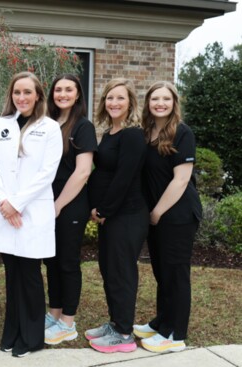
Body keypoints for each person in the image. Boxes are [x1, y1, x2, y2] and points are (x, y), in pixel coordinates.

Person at [0, 72, 62, 357]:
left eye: (28, 92)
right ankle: (12, 333)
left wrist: (17, 203)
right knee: (12, 275)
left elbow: (46, 173)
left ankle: (31, 338)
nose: (22, 97)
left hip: (31, 211)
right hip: (5, 212)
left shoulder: (50, 128)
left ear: (38, 95)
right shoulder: (0, 125)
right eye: (17, 92)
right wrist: (5, 202)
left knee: (29, 275)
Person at [135, 81, 202, 353]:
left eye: (166, 98)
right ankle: (162, 322)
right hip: (157, 215)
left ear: (174, 103)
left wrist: (157, 212)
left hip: (178, 214)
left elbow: (181, 179)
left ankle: (175, 335)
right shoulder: (147, 132)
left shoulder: (182, 133)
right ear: (148, 103)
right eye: (155, 99)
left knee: (176, 274)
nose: (160, 103)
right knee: (162, 272)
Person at [86, 78, 148, 353]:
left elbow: (124, 177)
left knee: (121, 272)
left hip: (128, 216)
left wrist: (103, 210)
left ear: (130, 102)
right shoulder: (110, 133)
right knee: (109, 270)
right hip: (112, 217)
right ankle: (116, 322)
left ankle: (124, 333)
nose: (114, 103)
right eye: (110, 98)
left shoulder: (133, 134)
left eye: (120, 98)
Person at [43, 74, 97, 345]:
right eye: (58, 90)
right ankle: (54, 313)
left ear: (77, 95)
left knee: (67, 262)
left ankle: (67, 322)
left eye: (68, 90)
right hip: (48, 204)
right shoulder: (50, 124)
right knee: (51, 260)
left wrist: (58, 205)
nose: (62, 94)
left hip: (70, 204)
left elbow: (83, 171)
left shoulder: (83, 126)